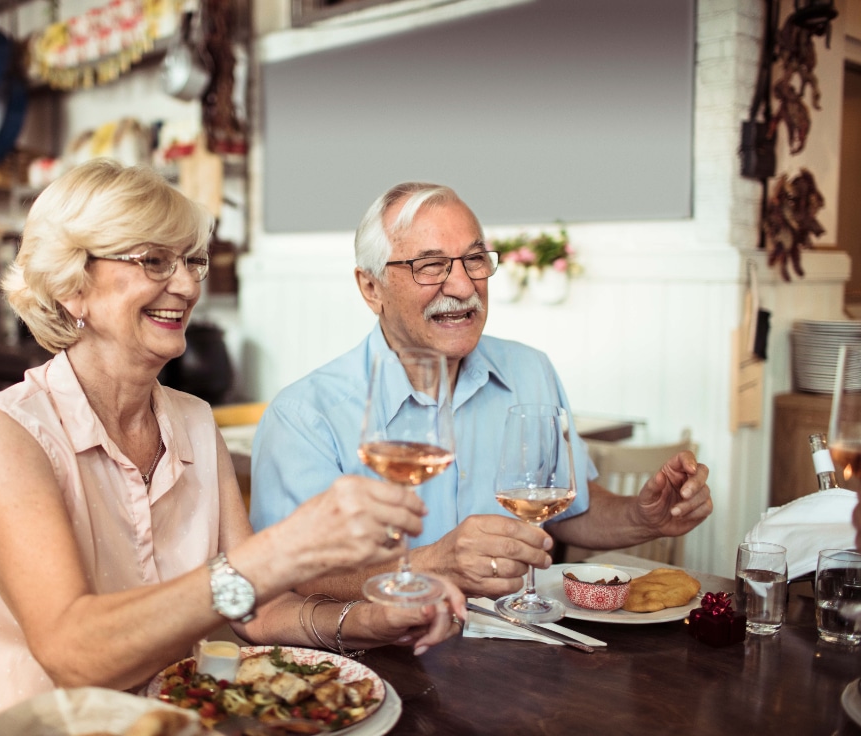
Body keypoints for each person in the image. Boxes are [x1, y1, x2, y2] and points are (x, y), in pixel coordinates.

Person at [0, 161, 465, 736]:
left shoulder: (192, 421)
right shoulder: (3, 433)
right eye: (153, 261)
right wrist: (284, 550)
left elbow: (260, 612)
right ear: (72, 286)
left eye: (192, 261)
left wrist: (377, 619)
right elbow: (74, 655)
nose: (189, 285)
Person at [250, 181, 713, 602]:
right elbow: (293, 576)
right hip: (380, 662)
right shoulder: (304, 415)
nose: (463, 285)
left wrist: (644, 517)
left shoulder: (531, 371)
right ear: (371, 288)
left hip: (517, 653)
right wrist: (435, 566)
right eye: (430, 266)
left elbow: (568, 511)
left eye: (474, 260)